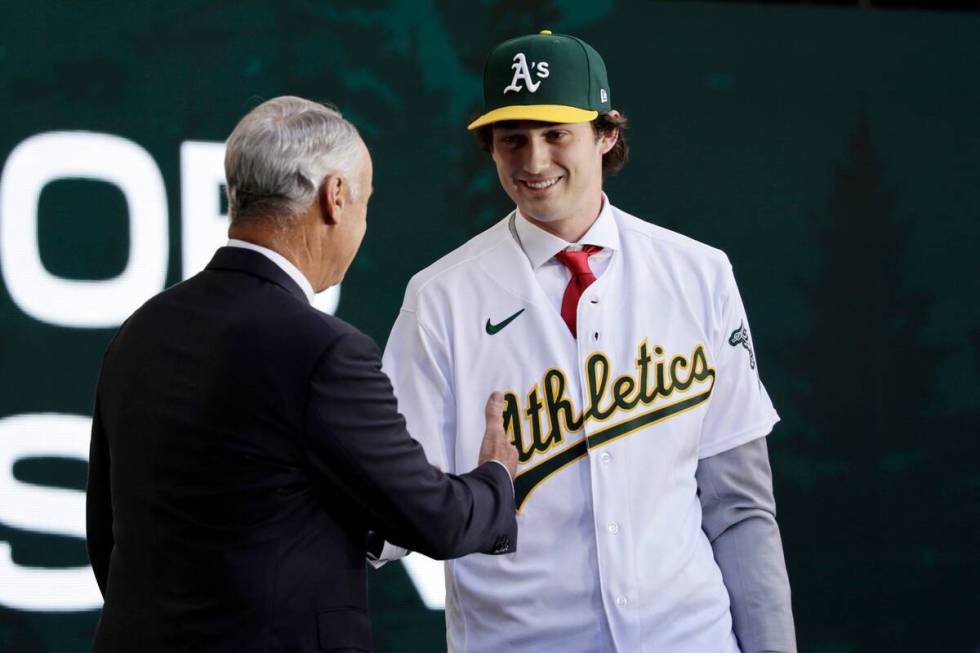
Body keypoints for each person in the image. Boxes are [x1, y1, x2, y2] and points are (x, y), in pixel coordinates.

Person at [382, 32, 796, 652]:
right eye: (512, 139)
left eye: (557, 134)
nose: (534, 161)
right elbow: (391, 505)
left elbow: (739, 508)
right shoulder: (441, 297)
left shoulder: (699, 273)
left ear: (607, 135)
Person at [85, 96, 518, 653]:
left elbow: (108, 531)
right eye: (365, 201)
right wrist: (496, 478)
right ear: (334, 197)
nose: (362, 224)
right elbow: (436, 521)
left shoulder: (141, 330)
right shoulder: (324, 351)